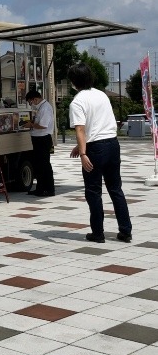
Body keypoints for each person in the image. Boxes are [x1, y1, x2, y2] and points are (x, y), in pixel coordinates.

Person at [67, 62, 132, 244]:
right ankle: (125, 231)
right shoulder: (102, 95)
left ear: (74, 81)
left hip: (96, 150)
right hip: (112, 144)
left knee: (93, 191)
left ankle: (98, 233)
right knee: (115, 189)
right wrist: (80, 146)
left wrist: (83, 154)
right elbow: (99, 124)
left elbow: (80, 129)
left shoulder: (77, 101)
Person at [25, 87, 55, 196]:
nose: (31, 104)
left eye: (30, 102)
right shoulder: (41, 107)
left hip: (43, 139)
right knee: (39, 165)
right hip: (38, 139)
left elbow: (43, 125)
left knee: (44, 165)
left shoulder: (45, 108)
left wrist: (31, 125)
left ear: (35, 99)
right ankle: (40, 188)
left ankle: (47, 189)